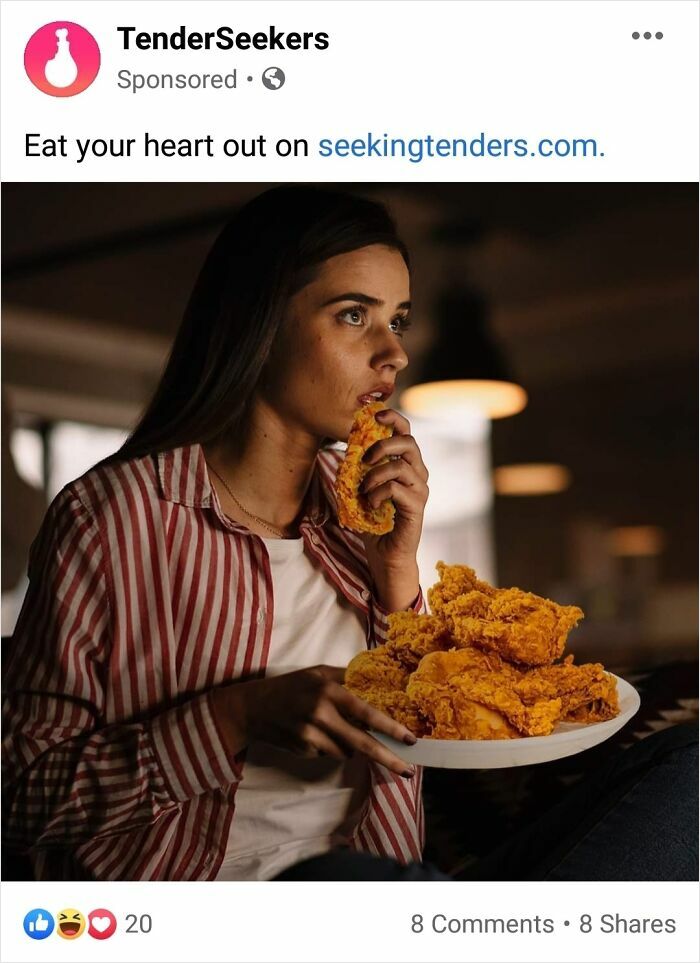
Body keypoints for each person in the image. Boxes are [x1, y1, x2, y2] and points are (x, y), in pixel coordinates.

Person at [2, 186, 431, 881]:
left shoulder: (368, 518)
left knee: (674, 766)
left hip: (388, 896)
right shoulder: (110, 517)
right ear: (261, 324)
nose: (395, 354)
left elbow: (427, 732)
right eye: (354, 314)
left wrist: (398, 570)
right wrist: (234, 716)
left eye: (398, 319)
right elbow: (17, 797)